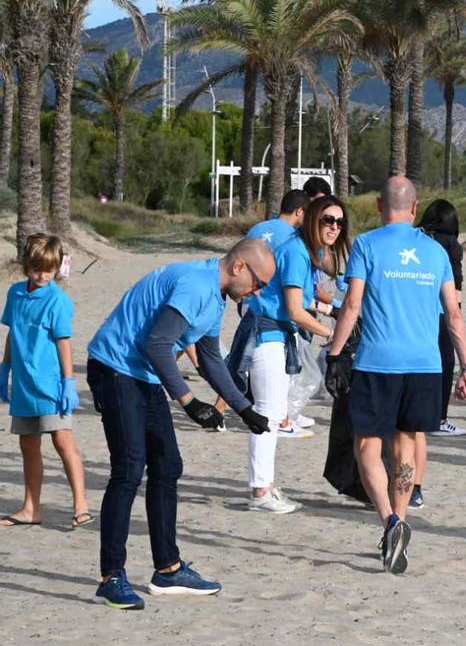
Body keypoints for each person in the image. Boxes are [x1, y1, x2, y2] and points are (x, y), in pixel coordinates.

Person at [87, 239, 275, 610]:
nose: (259, 290)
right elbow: (158, 344)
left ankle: (168, 568)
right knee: (128, 469)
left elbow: (208, 358)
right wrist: (189, 403)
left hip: (143, 373)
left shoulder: (217, 295)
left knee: (168, 465)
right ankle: (111, 577)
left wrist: (244, 408)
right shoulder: (197, 284)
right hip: (114, 368)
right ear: (239, 266)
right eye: (258, 282)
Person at [324, 176, 466, 574]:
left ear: (378, 205)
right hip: (425, 364)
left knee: (367, 449)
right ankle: (403, 520)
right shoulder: (436, 251)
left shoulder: (368, 245)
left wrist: (335, 354)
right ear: (414, 207)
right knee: (407, 447)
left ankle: (389, 520)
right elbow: (455, 314)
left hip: (378, 362)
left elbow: (352, 303)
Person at [240, 196, 347, 514]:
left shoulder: (303, 250)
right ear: (312, 217)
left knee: (273, 412)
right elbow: (294, 310)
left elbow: (306, 299)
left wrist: (333, 310)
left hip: (276, 333)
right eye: (328, 220)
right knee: (268, 413)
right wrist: (332, 334)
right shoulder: (297, 251)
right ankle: (261, 490)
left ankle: (265, 484)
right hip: (267, 333)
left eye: (339, 223)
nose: (334, 228)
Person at [0, 235, 89, 529]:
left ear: (56, 268)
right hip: (24, 384)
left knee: (63, 442)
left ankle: (81, 505)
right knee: (28, 445)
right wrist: (5, 369)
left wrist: (68, 382)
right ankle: (31, 508)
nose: (42, 276)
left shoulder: (57, 300)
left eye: (49, 270)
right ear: (27, 265)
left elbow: (64, 344)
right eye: (37, 269)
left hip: (51, 386)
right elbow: (13, 333)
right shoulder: (15, 294)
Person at [238, 189, 314, 439]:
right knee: (277, 363)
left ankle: (280, 413)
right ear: (300, 211)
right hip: (272, 306)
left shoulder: (257, 228)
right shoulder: (293, 238)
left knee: (246, 360)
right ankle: (285, 415)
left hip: (248, 298)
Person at [417, 199, 466, 437]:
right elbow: (455, 288)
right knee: (445, 363)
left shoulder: (417, 239)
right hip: (440, 312)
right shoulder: (450, 245)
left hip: (414, 311)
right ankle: (439, 418)